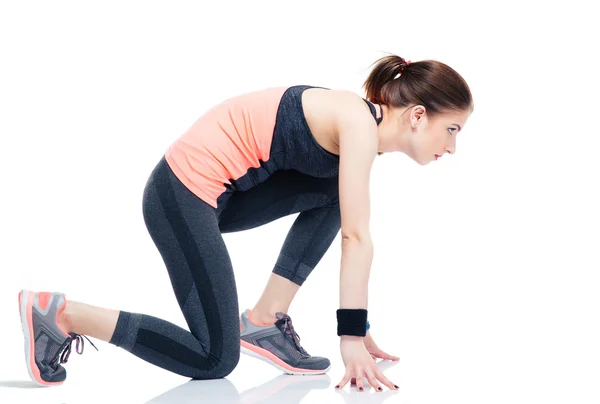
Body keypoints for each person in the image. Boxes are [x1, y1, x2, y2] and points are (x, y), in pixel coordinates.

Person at [17, 54, 474, 392]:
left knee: (338, 193)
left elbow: (350, 222)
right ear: (418, 116)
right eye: (452, 130)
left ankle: (264, 319)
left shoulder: (360, 133)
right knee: (215, 358)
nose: (452, 148)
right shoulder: (356, 122)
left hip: (224, 197)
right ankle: (59, 313)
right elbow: (357, 237)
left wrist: (359, 326)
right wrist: (350, 335)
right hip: (179, 196)